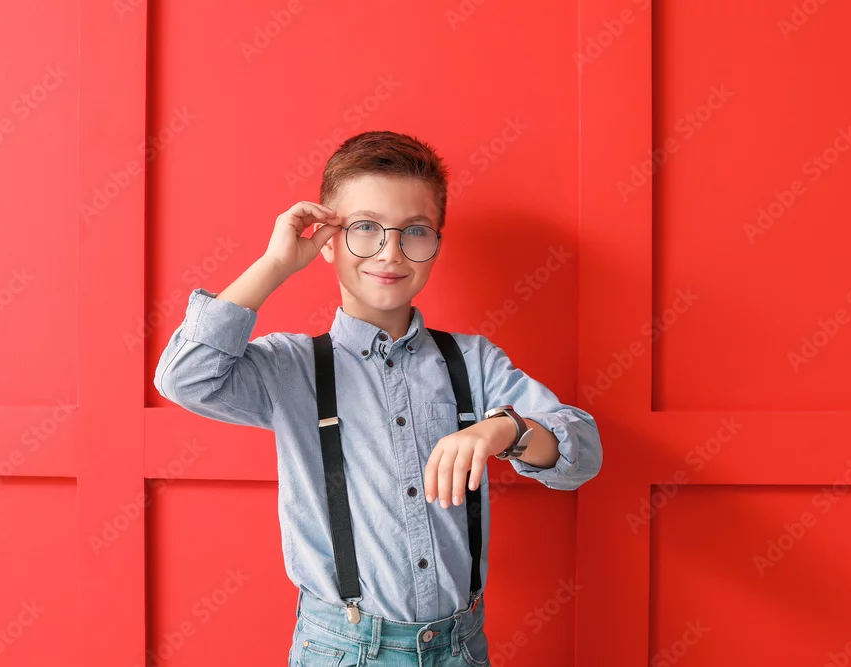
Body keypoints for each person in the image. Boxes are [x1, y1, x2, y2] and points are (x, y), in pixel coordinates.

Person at [153, 130, 603, 665]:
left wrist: (504, 427)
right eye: (365, 227)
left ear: (436, 244)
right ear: (326, 240)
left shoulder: (473, 361)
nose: (390, 252)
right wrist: (275, 264)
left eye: (415, 231)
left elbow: (582, 454)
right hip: (341, 649)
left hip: (459, 648)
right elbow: (185, 377)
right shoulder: (290, 367)